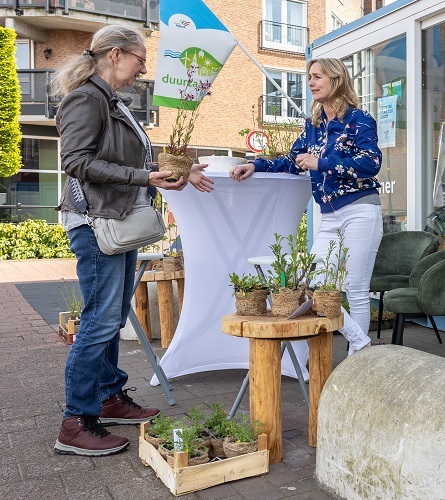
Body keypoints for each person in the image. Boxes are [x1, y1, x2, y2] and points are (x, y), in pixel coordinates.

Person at [53, 25, 214, 457]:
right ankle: (76, 420)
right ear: (116, 54)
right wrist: (144, 177)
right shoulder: (86, 98)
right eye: (141, 59)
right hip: (96, 223)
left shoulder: (111, 101)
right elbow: (77, 162)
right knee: (99, 320)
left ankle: (108, 396)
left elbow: (137, 160)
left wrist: (179, 173)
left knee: (112, 315)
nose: (144, 68)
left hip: (117, 220)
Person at [231, 58, 383, 355]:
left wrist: (322, 162)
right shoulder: (313, 127)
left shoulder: (359, 121)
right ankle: (362, 343)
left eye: (317, 77)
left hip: (360, 210)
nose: (311, 82)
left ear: (336, 80)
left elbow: (371, 163)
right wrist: (256, 164)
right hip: (329, 216)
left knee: (355, 288)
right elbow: (291, 160)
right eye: (309, 77)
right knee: (310, 285)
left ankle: (356, 362)